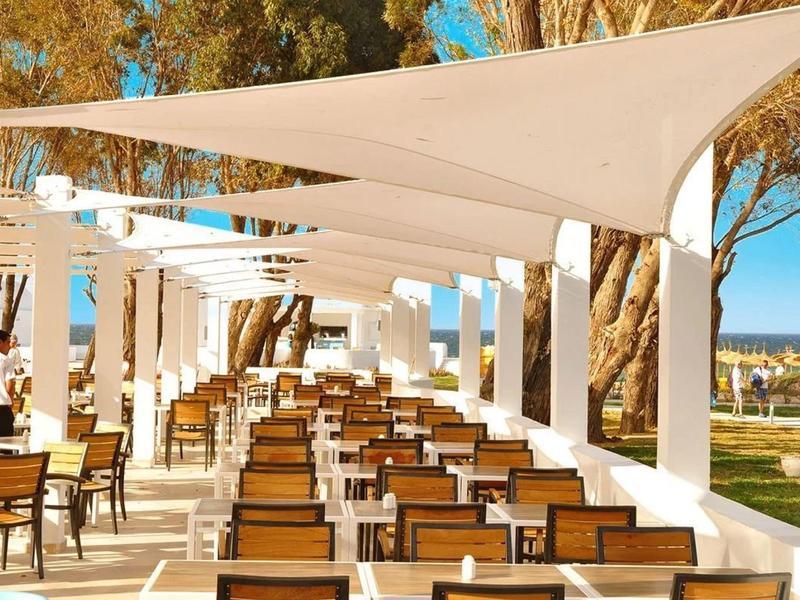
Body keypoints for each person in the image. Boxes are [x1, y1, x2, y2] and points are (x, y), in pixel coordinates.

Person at [0, 330, 17, 437]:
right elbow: (10, 385)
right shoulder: (6, 361)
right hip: (2, 410)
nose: (10, 346)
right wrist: (9, 404)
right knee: (6, 447)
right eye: (7, 342)